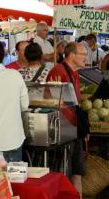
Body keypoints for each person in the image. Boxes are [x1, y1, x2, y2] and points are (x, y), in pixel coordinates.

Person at [47, 41, 88, 194]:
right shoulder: (58, 71)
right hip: (64, 132)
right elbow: (52, 101)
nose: (86, 57)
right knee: (65, 174)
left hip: (74, 129)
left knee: (77, 173)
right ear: (72, 55)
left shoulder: (75, 73)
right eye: (83, 54)